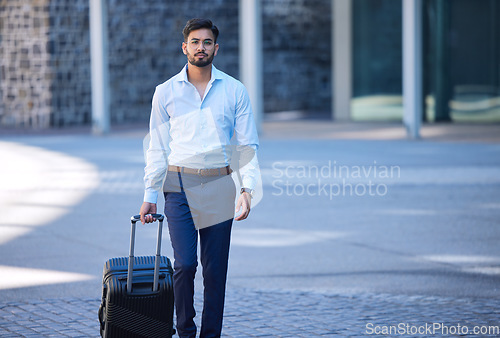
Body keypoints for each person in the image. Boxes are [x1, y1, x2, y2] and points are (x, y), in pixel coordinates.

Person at [139, 18, 260, 338]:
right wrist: (150, 194)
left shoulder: (235, 90)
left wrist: (247, 189)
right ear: (185, 47)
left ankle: (210, 335)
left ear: (215, 48)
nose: (201, 47)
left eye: (207, 42)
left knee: (215, 272)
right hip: (178, 186)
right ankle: (185, 330)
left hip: (220, 186)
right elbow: (157, 147)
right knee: (185, 264)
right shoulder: (165, 93)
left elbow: (247, 145)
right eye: (195, 42)